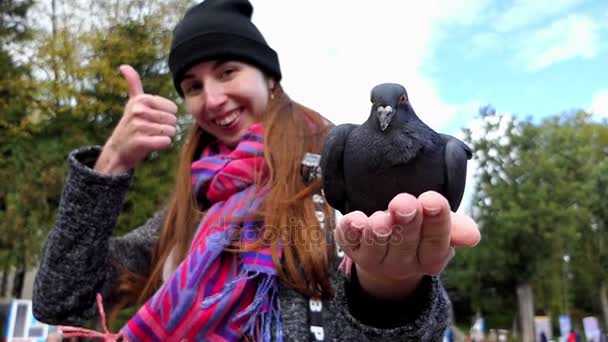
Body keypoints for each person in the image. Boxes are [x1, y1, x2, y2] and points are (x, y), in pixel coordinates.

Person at [31, 0, 480, 341]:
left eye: (227, 71)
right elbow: (62, 299)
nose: (211, 99)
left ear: (269, 77)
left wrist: (389, 287)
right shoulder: (192, 205)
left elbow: (412, 329)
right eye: (193, 86)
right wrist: (111, 164)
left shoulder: (338, 170)